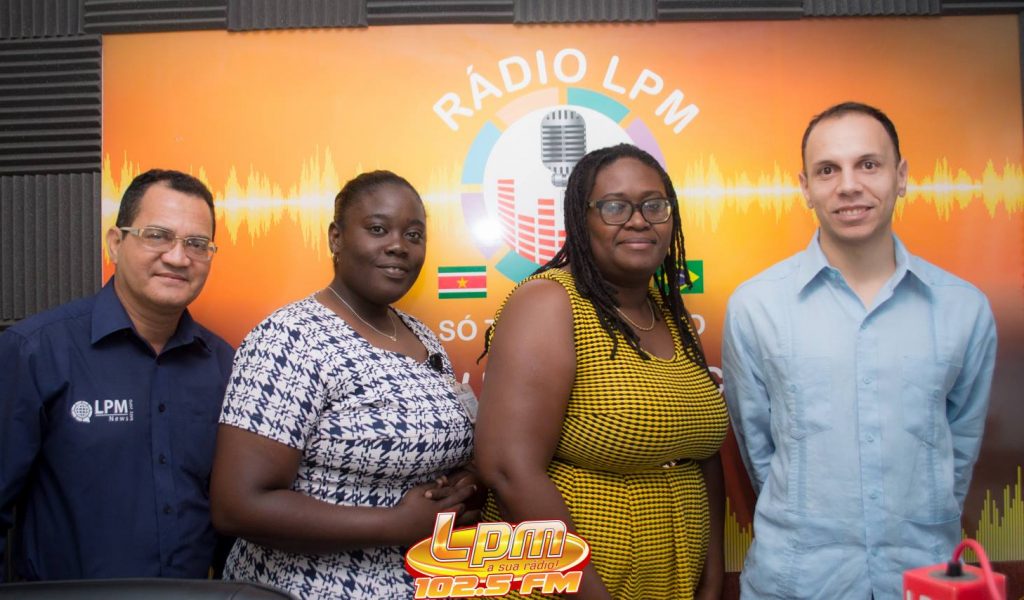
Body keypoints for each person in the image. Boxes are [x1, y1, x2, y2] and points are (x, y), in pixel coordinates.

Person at [723, 102, 998, 599]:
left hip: (924, 580)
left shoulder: (965, 308)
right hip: (797, 583)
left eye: (868, 164)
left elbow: (958, 450)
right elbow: (758, 450)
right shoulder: (756, 306)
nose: (848, 185)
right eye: (828, 170)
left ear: (902, 176)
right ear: (805, 187)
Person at [209, 170, 479, 600]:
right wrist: (396, 525)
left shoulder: (424, 338)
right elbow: (238, 506)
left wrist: (460, 490)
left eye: (413, 235)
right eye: (378, 229)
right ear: (336, 238)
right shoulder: (290, 337)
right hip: (305, 589)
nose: (399, 245)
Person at [475, 144, 729, 600]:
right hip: (568, 587)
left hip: (672, 584)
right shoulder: (550, 302)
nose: (639, 220)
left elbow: (701, 456)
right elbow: (508, 469)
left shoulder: (671, 315)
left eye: (654, 205)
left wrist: (711, 581)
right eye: (615, 207)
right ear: (581, 219)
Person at [0, 169, 234, 581]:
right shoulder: (36, 351)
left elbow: (230, 521)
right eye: (157, 235)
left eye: (197, 244)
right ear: (115, 242)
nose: (178, 258)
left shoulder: (223, 365)